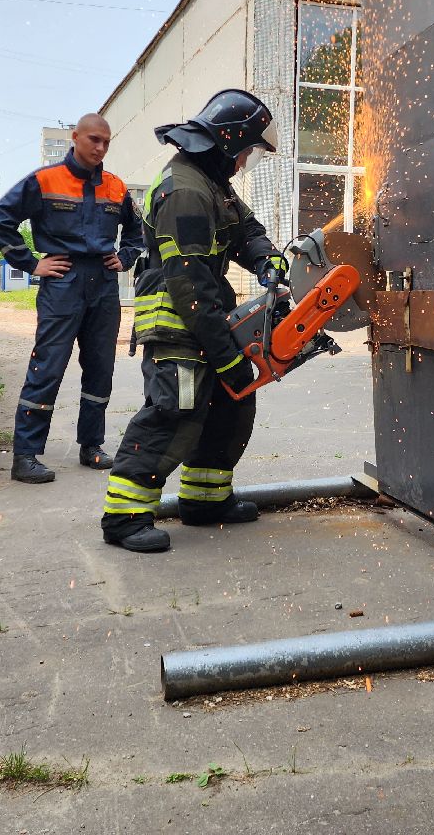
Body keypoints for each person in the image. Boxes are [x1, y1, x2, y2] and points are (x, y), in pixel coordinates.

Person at [100, 89, 289, 553]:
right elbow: (190, 283)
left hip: (204, 318)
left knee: (230, 407)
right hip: (180, 323)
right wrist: (226, 355)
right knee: (174, 412)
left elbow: (246, 230)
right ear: (228, 143)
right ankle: (124, 516)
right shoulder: (185, 190)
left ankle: (205, 501)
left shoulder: (211, 182)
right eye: (246, 151)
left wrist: (269, 262)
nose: (245, 162)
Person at [0, 113, 144, 484]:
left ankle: (91, 445)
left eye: (106, 142)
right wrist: (31, 264)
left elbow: (139, 233)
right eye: (93, 139)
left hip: (103, 285)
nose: (100, 148)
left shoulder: (116, 187)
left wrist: (124, 258)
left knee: (100, 368)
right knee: (48, 367)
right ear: (75, 137)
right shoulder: (45, 180)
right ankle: (25, 456)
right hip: (63, 282)